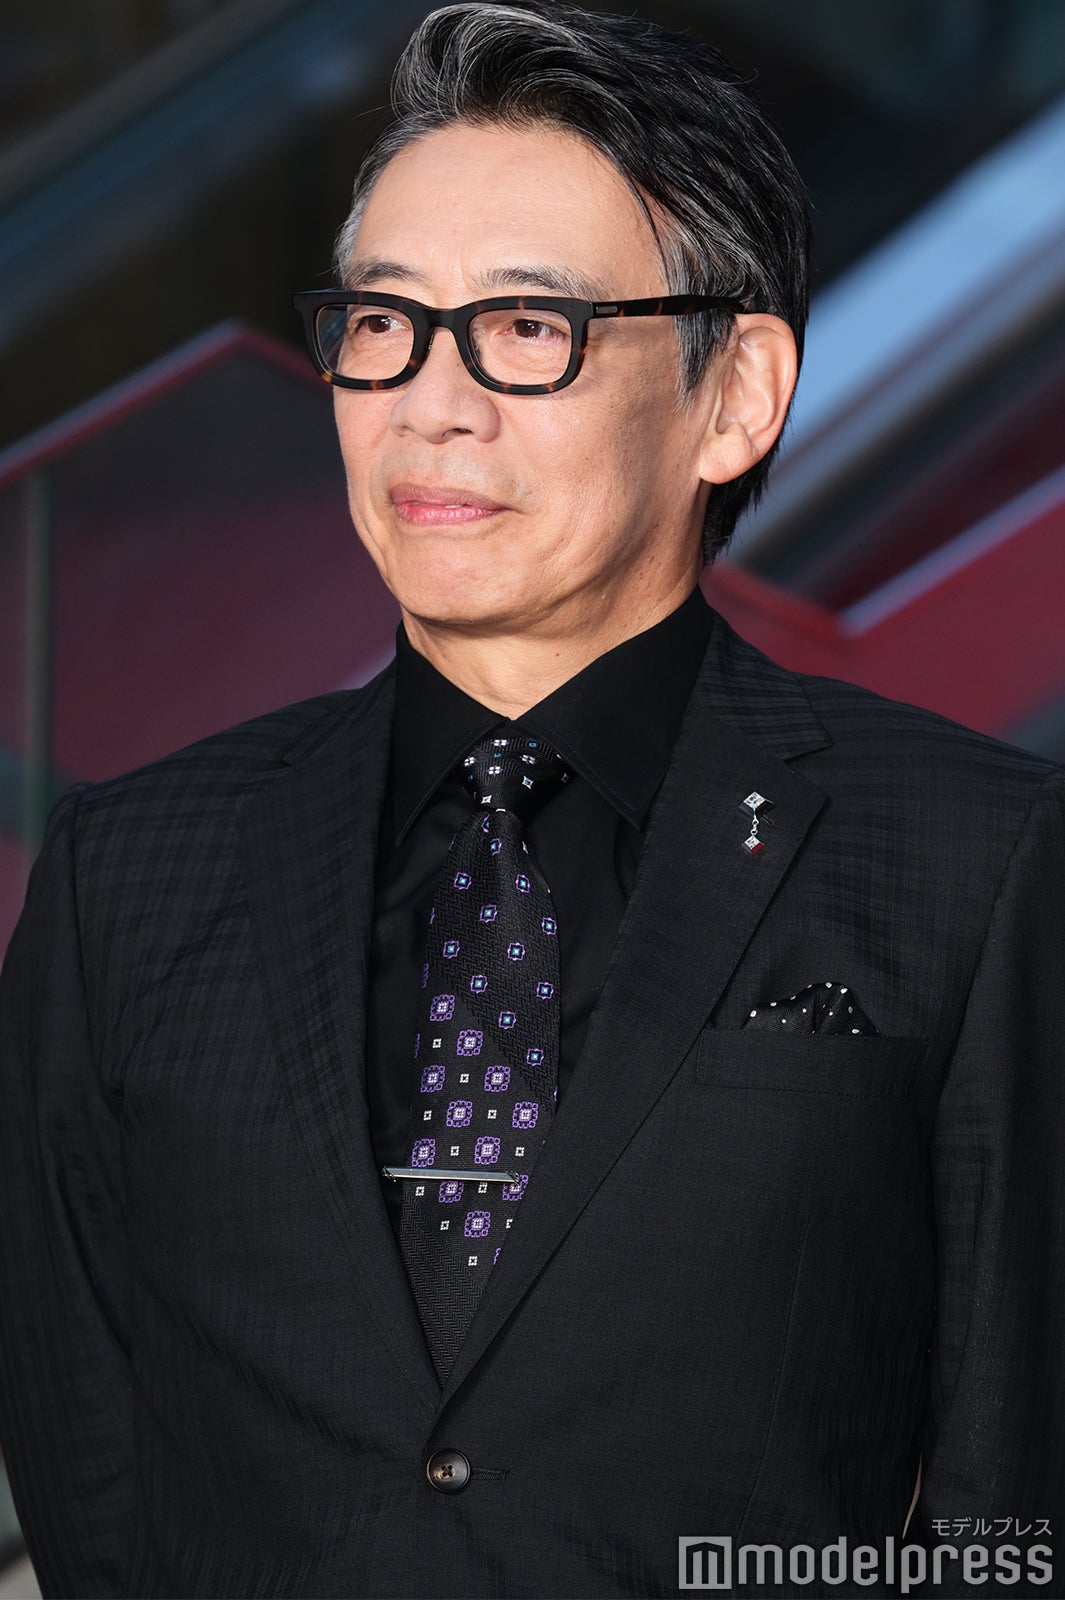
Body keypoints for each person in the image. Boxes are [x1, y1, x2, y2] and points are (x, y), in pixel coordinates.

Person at [1, 2, 1062, 1595]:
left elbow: (1014, 1502)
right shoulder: (129, 869)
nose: (431, 403)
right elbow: (84, 1449)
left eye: (524, 328)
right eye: (382, 322)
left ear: (734, 395)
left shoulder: (973, 858)